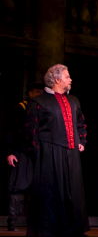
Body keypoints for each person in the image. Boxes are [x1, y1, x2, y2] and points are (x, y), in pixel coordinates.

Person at [25, 64, 89, 236]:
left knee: (73, 192)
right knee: (51, 193)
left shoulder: (74, 100)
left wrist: (81, 140)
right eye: (67, 76)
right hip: (49, 153)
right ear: (57, 79)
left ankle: (74, 229)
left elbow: (81, 123)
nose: (70, 79)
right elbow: (31, 131)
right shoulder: (38, 102)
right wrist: (39, 154)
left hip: (72, 153)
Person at [5, 82, 43, 231]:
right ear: (30, 93)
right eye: (36, 92)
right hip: (22, 152)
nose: (39, 95)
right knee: (18, 186)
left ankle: (37, 222)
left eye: (41, 92)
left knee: (40, 188)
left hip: (40, 154)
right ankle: (12, 222)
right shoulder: (22, 108)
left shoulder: (43, 108)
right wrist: (11, 152)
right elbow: (12, 131)